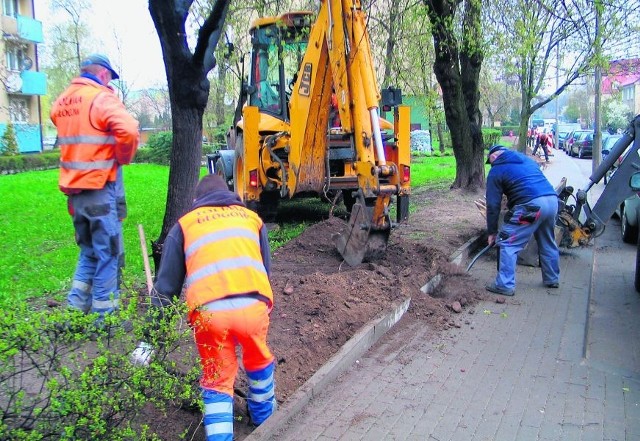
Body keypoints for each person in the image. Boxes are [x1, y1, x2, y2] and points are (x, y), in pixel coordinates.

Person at [131, 174, 277, 440]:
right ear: (230, 195)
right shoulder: (252, 220)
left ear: (197, 201)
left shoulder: (185, 226)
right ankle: (265, 420)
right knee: (259, 361)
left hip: (210, 315)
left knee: (218, 380)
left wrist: (149, 341)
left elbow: (166, 289)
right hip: (254, 307)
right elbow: (265, 270)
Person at [51, 54, 139, 327]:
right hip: (100, 189)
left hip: (75, 194)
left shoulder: (63, 101)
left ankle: (75, 311)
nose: (109, 83)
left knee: (89, 251)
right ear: (102, 74)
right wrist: (123, 157)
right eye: (109, 78)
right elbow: (129, 130)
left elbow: (64, 123)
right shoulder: (100, 98)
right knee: (108, 252)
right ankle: (105, 318)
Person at [484, 145, 560, 296]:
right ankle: (552, 278)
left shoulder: (496, 170)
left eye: (490, 161)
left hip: (531, 206)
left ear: (493, 157)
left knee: (507, 242)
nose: (490, 164)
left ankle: (504, 285)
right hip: (552, 201)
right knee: (547, 240)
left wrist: (492, 232)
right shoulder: (527, 160)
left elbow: (493, 205)